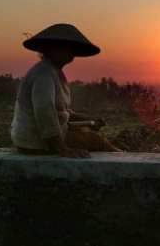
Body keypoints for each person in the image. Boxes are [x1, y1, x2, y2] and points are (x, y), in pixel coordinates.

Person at [10, 23, 121, 157]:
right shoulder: (44, 74)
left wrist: (88, 120)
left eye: (72, 48)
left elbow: (61, 111)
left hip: (40, 139)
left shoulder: (53, 72)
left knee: (90, 136)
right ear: (51, 49)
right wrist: (62, 149)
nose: (71, 53)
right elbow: (45, 112)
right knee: (96, 141)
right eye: (66, 48)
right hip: (35, 142)